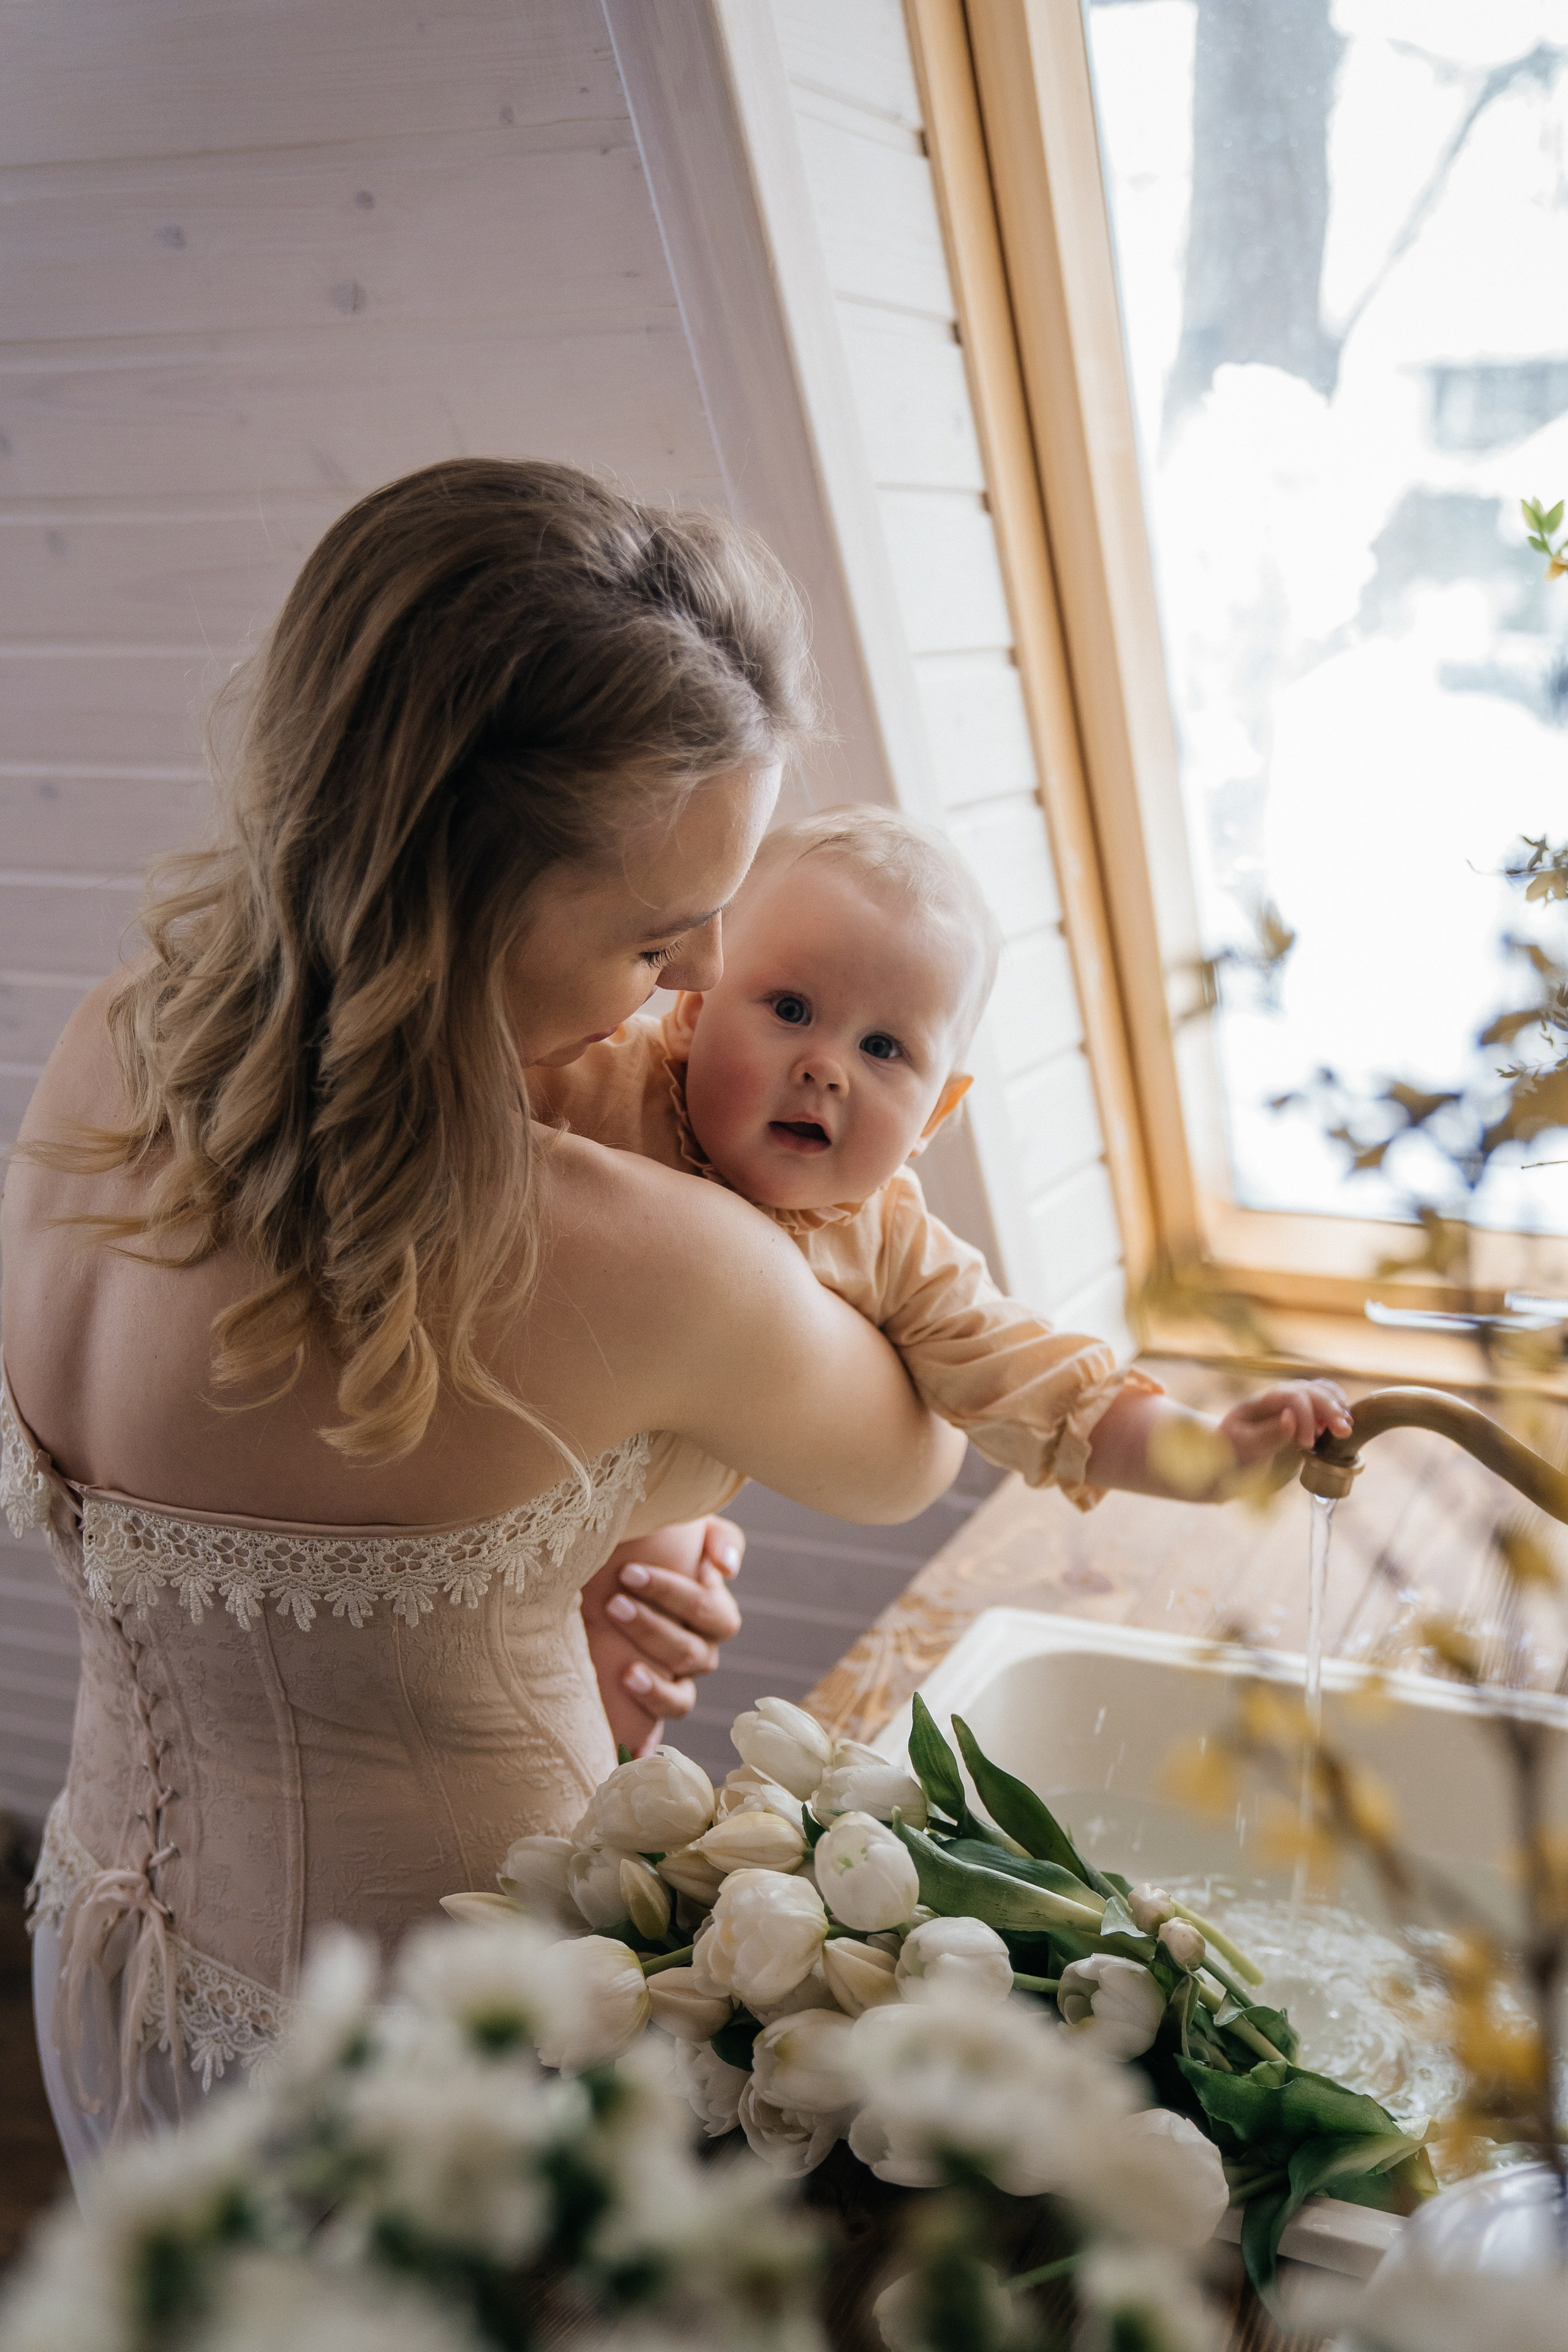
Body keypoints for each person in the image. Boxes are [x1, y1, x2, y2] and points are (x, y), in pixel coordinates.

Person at [0, 461, 967, 2168]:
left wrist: (553, 1564)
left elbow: (265, 1552)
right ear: (464, 903)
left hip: (111, 1976)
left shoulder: (114, 1047)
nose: (678, 1003)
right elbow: (913, 1446)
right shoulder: (635, 1257)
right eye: (659, 948)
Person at [530, 804, 1353, 1556]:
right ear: (695, 1008)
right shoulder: (591, 1080)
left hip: (577, 1552)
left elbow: (1049, 1391)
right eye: (790, 1009)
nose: (825, 1069)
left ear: (936, 1115)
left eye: (883, 1049)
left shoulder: (893, 1245)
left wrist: (1215, 1454)